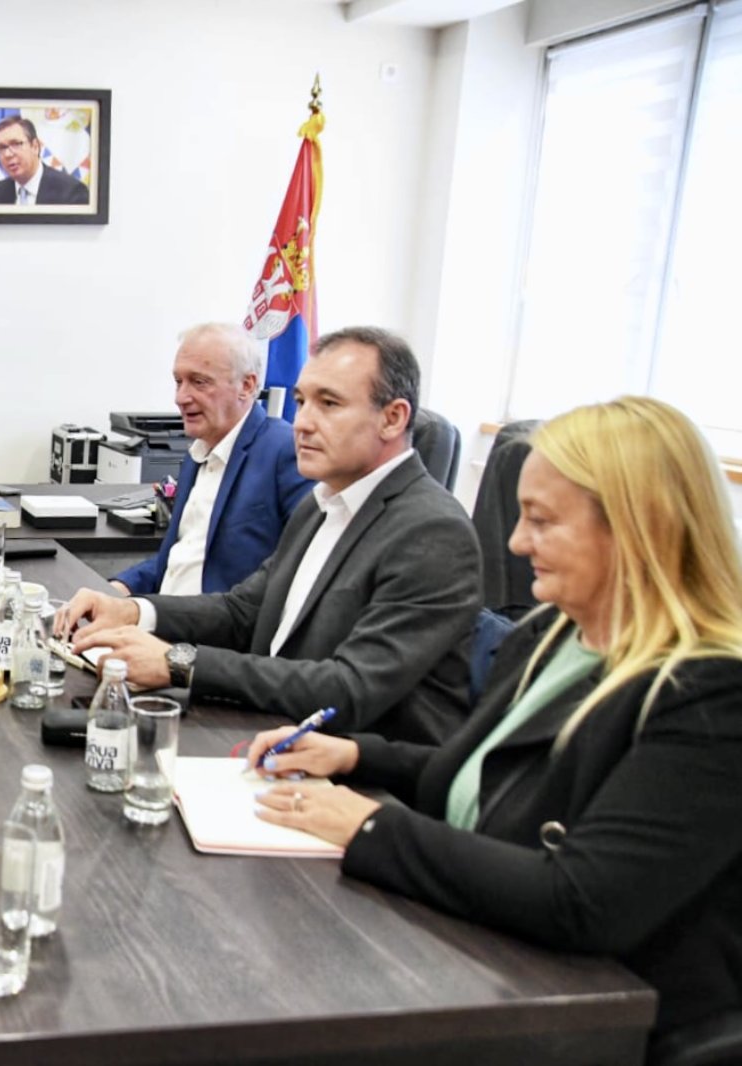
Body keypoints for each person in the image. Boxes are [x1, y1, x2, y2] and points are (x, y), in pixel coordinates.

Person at [247, 397, 742, 1052]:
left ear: (637, 527)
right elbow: (487, 777)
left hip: (604, 1022)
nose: (515, 543)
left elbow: (582, 900)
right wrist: (354, 757)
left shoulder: (710, 692)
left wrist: (369, 825)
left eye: (542, 520)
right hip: (487, 962)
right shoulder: (551, 635)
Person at [57, 326, 480, 744]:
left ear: (393, 418)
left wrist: (179, 662)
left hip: (342, 765)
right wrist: (134, 611)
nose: (303, 423)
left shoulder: (432, 531)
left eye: (328, 403)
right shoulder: (322, 505)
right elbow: (243, 610)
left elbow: (350, 688)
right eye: (301, 402)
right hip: (264, 727)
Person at [111, 323, 310, 596]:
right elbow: (182, 556)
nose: (180, 398)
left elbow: (295, 572)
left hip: (218, 621)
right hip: (163, 613)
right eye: (178, 382)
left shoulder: (284, 451)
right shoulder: (198, 454)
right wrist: (120, 587)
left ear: (247, 385)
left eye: (199, 382)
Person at [0, 115, 91, 206]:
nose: (8, 154)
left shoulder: (71, 192)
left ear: (35, 146)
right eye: (2, 148)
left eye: (16, 144)